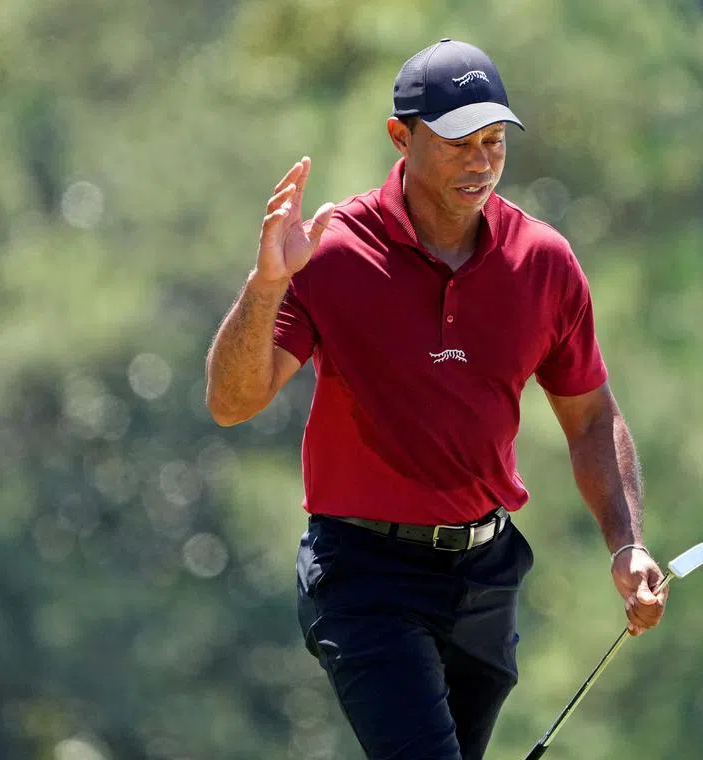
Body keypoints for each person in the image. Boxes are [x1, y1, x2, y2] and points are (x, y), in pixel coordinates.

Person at [204, 38, 669, 759]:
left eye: (493, 141)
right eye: (458, 143)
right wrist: (267, 285)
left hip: (485, 581)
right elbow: (233, 401)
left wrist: (627, 543)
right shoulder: (332, 251)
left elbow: (591, 419)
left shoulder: (542, 261)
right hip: (364, 578)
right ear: (402, 136)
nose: (480, 161)